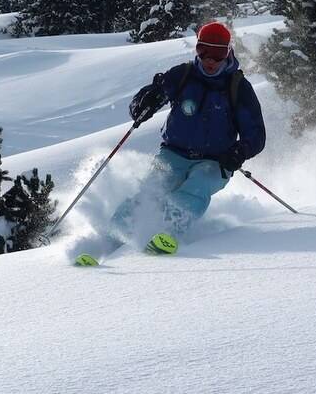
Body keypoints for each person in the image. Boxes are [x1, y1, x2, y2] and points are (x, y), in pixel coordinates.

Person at [106, 20, 266, 253]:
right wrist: (144, 103)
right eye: (204, 51)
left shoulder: (238, 87)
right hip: (174, 153)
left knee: (197, 187)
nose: (210, 60)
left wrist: (240, 151)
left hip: (215, 161)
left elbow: (256, 134)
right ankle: (110, 241)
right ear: (197, 49)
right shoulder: (183, 75)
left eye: (218, 54)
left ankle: (167, 234)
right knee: (151, 191)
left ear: (228, 53)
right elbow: (152, 93)